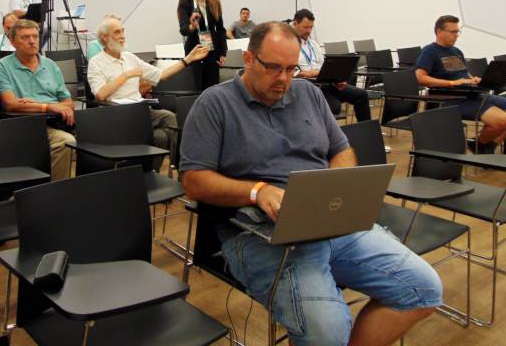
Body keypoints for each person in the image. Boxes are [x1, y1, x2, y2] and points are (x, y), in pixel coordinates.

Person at [180, 21, 441, 346]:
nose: (283, 78)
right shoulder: (215, 104)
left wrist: (334, 186)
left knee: (425, 289)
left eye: (291, 68)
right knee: (328, 333)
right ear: (248, 59)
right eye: (273, 68)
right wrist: (257, 191)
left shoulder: (307, 93)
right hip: (259, 234)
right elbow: (194, 181)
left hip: (328, 221)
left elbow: (341, 150)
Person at [88, 15, 209, 169]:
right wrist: (126, 75)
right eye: (117, 32)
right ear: (104, 37)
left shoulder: (129, 57)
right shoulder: (96, 63)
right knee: (159, 137)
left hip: (139, 111)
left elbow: (161, 75)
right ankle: (146, 172)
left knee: (169, 118)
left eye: (123, 31)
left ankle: (177, 167)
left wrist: (188, 59)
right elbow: (100, 94)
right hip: (115, 115)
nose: (123, 36)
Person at [416, 15, 506, 153]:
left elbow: (463, 73)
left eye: (457, 32)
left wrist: (473, 80)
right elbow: (420, 78)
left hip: (472, 93)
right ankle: (482, 145)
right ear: (439, 32)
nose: (456, 35)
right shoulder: (430, 51)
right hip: (452, 99)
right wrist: (452, 83)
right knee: (502, 120)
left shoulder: (456, 51)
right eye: (453, 32)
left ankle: (485, 145)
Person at [0, 19, 76, 181]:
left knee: (96, 136)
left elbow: (68, 102)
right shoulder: (1, 66)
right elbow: (10, 104)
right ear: (12, 41)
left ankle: (66, 187)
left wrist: (39, 105)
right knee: (66, 141)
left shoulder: (50, 65)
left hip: (54, 122)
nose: (32, 41)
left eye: (35, 36)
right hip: (24, 125)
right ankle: (56, 190)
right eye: (25, 37)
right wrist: (48, 107)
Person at [292, 9, 371, 122]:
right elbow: (283, 68)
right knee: (334, 106)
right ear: (295, 24)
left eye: (311, 27)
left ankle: (366, 130)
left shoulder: (313, 44)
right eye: (305, 27)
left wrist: (336, 79)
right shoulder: (287, 43)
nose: (309, 31)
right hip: (306, 84)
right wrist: (301, 73)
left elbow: (324, 66)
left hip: (325, 82)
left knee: (361, 95)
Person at [177, 0, 228, 90]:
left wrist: (223, 52)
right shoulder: (184, 4)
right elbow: (183, 30)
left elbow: (220, 29)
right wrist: (192, 26)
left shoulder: (214, 2)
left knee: (212, 88)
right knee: (196, 87)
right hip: (193, 51)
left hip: (212, 50)